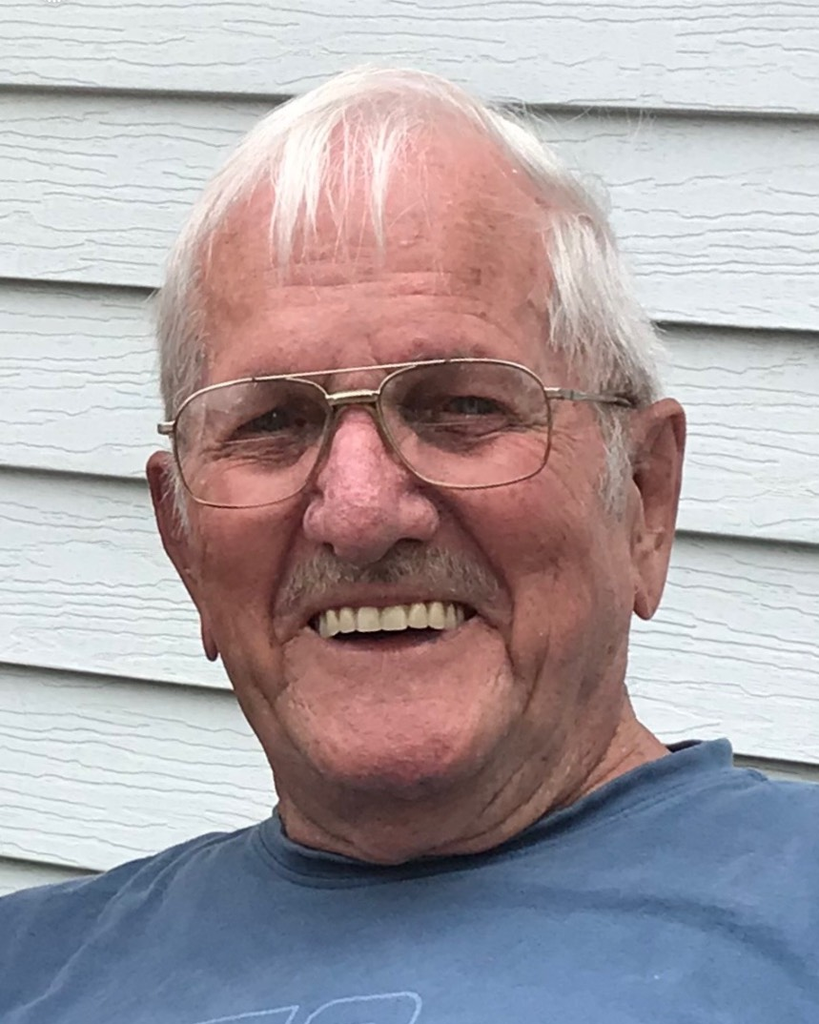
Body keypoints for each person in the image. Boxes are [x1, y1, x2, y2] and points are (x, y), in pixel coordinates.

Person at [1, 67, 817, 1024]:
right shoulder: (31, 967)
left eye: (462, 405)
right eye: (271, 423)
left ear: (643, 497)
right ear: (183, 542)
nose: (358, 512)